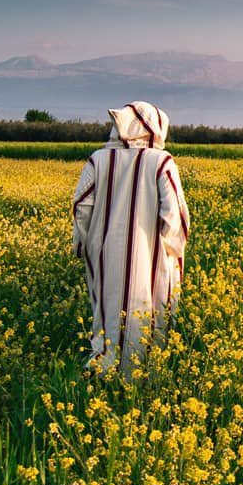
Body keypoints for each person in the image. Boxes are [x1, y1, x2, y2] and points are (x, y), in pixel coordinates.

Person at [71, 101, 189, 377]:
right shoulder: (161, 161)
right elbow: (175, 214)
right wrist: (172, 249)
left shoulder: (98, 160)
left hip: (103, 252)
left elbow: (81, 208)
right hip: (149, 252)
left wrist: (83, 246)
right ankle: (146, 376)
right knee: (149, 311)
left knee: (108, 310)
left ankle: (105, 370)